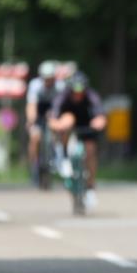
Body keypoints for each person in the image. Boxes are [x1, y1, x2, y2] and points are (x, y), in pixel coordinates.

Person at [48, 72, 106, 206]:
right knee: (67, 120)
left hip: (86, 126)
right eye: (75, 91)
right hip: (68, 127)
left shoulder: (91, 96)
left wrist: (99, 121)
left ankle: (90, 186)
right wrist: (56, 124)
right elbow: (53, 118)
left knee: (90, 151)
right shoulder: (63, 97)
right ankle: (64, 157)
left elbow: (100, 115)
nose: (78, 94)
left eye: (81, 91)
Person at [25, 60, 60, 185]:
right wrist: (31, 120)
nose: (48, 81)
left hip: (53, 111)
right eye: (45, 79)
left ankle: (56, 157)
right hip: (38, 111)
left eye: (50, 78)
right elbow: (31, 105)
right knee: (35, 137)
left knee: (56, 133)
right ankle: (34, 165)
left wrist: (57, 120)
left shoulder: (60, 87)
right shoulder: (35, 85)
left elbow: (61, 106)